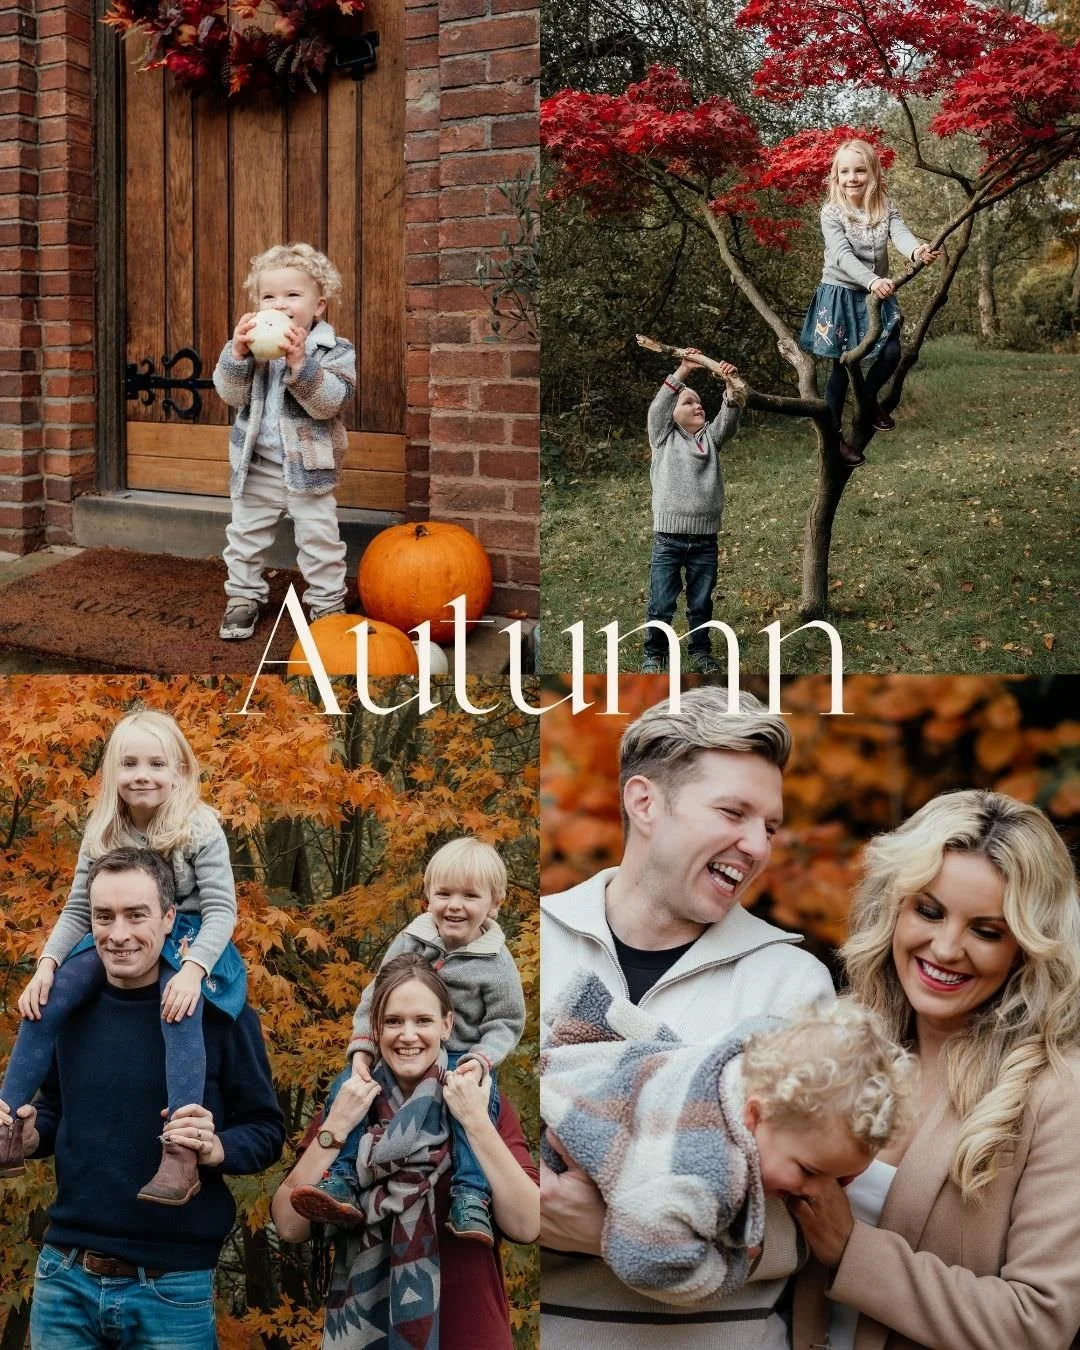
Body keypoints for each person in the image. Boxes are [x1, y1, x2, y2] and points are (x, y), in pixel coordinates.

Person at [540, 687, 835, 1349]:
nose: (758, 845)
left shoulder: (793, 988)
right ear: (644, 802)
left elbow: (813, 1218)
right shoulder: (537, 941)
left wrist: (607, 1231)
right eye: (734, 811)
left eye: (771, 825)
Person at [791, 790, 1080, 1350]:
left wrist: (852, 1250)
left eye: (987, 931)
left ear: (1026, 949)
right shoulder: (837, 1040)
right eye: (929, 911)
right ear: (894, 908)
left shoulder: (1057, 1094)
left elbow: (1039, 1322)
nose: (946, 948)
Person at [0, 847, 285, 1350]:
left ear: (170, 917)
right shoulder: (70, 1010)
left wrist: (214, 1148)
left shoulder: (223, 1017)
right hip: (65, 1276)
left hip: (172, 1286)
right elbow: (54, 1112)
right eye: (104, 916)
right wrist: (31, 1131)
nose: (119, 933)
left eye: (137, 915)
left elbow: (265, 1130)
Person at [543, 977, 915, 1305]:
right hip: (560, 1133)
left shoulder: (749, 1053)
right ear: (754, 1114)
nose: (816, 1191)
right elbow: (646, 1259)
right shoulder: (707, 1170)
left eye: (841, 1179)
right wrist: (730, 1266)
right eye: (809, 1170)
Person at [0, 709, 246, 1207]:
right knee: (51, 997)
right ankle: (6, 1120)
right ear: (114, 772)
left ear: (179, 770)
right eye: (129, 763)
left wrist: (193, 971)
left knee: (178, 1009)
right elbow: (76, 908)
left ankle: (179, 1151)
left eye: (157, 764)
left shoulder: (198, 826)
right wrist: (46, 965)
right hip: (117, 925)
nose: (142, 775)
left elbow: (222, 908)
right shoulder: (104, 829)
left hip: (191, 934)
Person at [273, 953, 539, 1350]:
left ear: (447, 1025)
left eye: (423, 1021)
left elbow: (526, 1224)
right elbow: (290, 1225)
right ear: (375, 1028)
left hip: (469, 1333)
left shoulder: (482, 1102)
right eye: (394, 1021)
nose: (408, 1035)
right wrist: (336, 1128)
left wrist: (476, 1122)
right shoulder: (350, 1104)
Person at [293, 836, 526, 1247]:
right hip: (393, 1055)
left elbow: (505, 1021)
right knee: (349, 1087)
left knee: (472, 1105)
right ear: (427, 896)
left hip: (462, 1056)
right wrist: (363, 1048)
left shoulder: (496, 961)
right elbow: (375, 997)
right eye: (444, 893)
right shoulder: (411, 939)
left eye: (470, 896)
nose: (455, 905)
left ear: (494, 904)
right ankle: (341, 1179)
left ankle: (470, 1196)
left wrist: (482, 1060)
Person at [214, 241, 355, 640]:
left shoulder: (334, 351)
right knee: (243, 537)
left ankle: (327, 604)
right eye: (268, 296)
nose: (280, 304)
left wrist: (299, 364)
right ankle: (243, 596)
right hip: (257, 466)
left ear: (319, 305)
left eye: (293, 295)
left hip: (309, 469)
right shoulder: (251, 351)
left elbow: (330, 403)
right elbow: (229, 394)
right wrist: (237, 354)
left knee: (321, 540)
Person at [797, 139, 940, 466]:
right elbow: (842, 256)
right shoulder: (831, 212)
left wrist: (916, 251)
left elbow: (900, 234)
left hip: (876, 292)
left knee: (890, 352)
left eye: (860, 170)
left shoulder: (884, 206)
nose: (852, 177)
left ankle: (868, 400)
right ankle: (833, 439)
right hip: (842, 292)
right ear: (836, 175)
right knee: (842, 366)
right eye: (844, 171)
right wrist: (873, 280)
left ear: (873, 173)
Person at [640, 347, 743, 676]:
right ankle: (655, 654)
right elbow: (658, 407)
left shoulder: (710, 439)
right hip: (668, 540)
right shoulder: (662, 438)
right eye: (688, 402)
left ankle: (700, 651)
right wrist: (683, 370)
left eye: (699, 402)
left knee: (701, 602)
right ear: (673, 413)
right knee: (661, 602)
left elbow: (729, 417)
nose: (697, 405)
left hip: (704, 540)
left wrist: (730, 384)